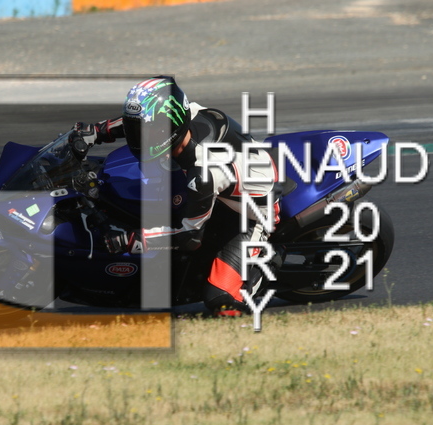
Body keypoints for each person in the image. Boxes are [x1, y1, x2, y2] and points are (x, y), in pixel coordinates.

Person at [71, 76, 280, 316]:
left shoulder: (203, 174)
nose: (137, 137)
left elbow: (189, 237)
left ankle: (265, 264)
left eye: (145, 132)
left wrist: (133, 240)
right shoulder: (188, 114)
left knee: (221, 302)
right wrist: (97, 131)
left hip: (252, 215)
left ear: (168, 129)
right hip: (228, 183)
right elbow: (144, 118)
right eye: (135, 130)